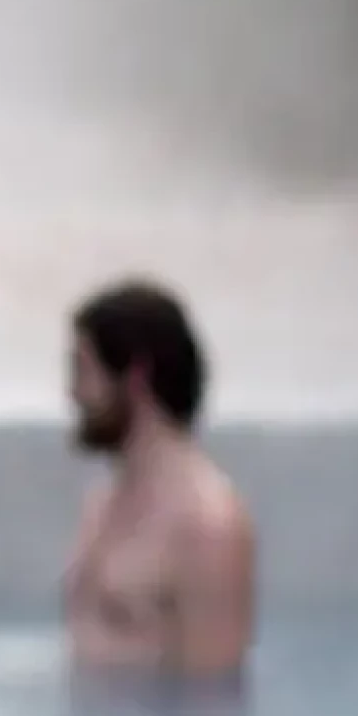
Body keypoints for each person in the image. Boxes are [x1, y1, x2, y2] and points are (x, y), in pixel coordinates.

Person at [62, 282, 256, 680]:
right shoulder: (103, 503)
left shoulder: (208, 527)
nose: (73, 393)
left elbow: (214, 700)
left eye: (83, 370)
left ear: (135, 376)